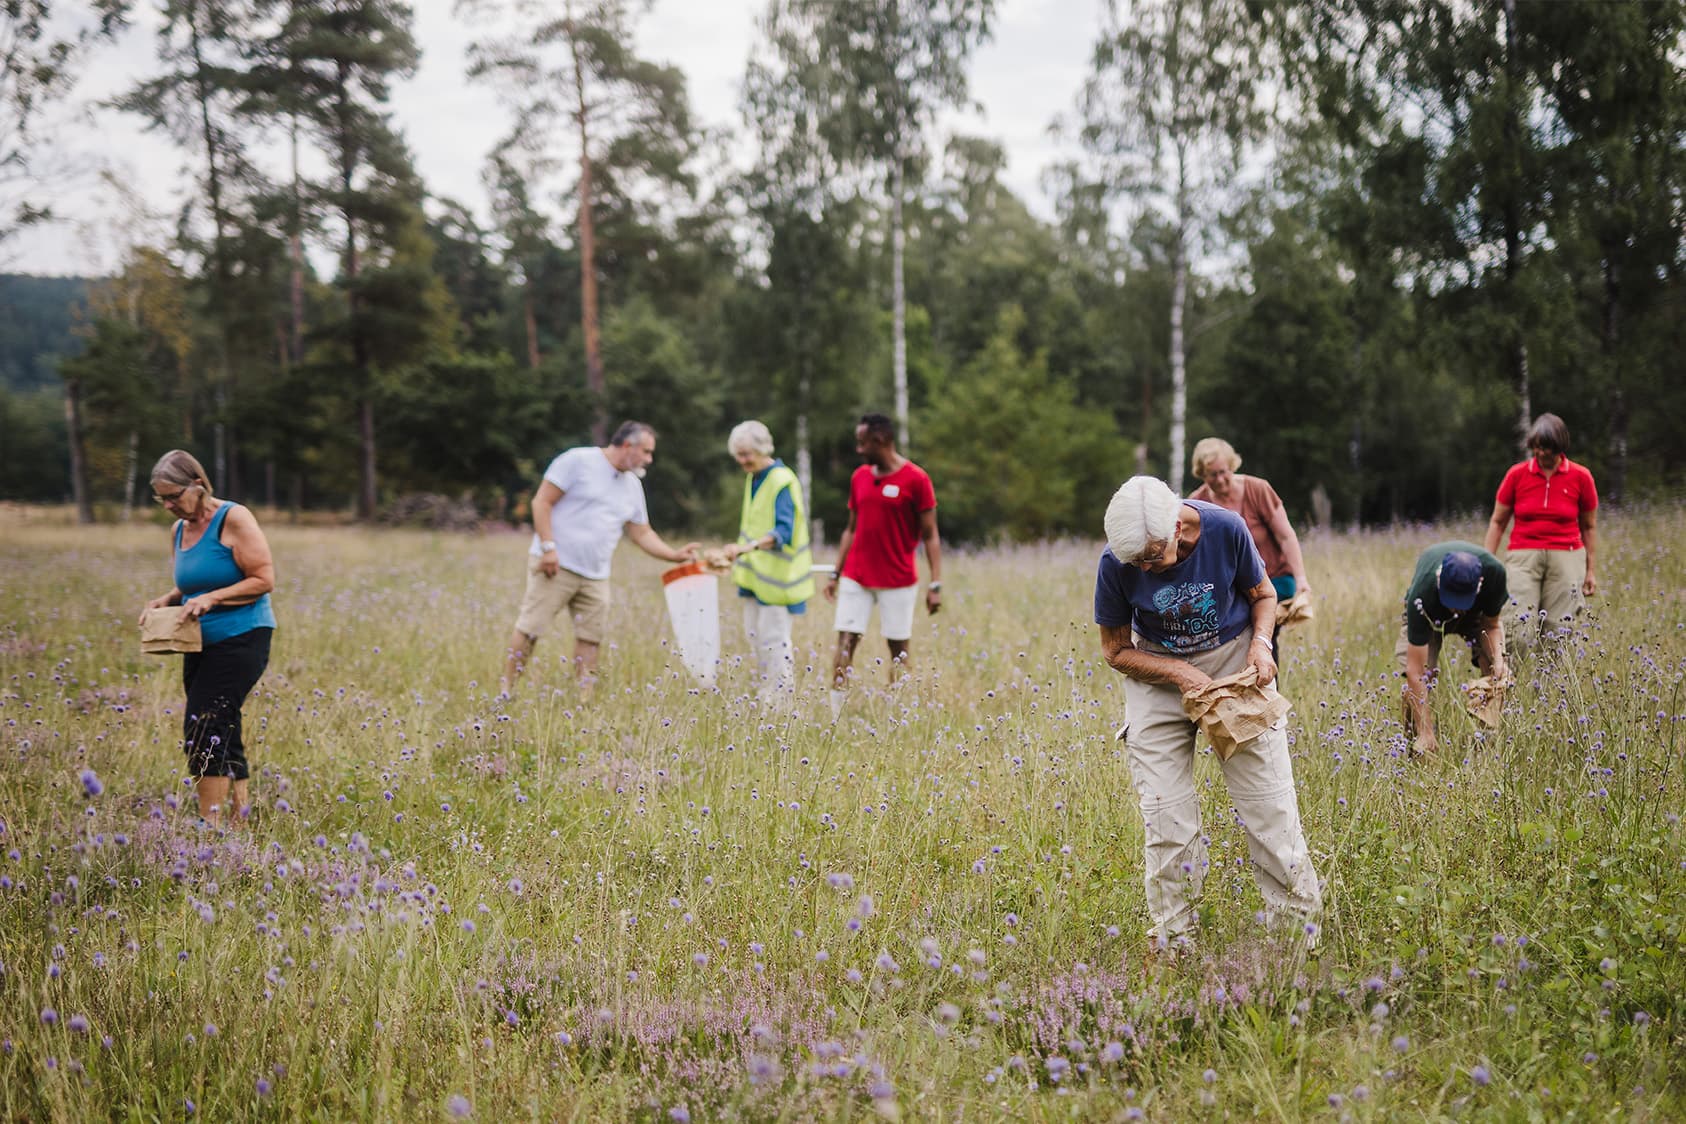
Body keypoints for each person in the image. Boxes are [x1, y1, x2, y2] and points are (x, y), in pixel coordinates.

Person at [1095, 476, 1321, 957]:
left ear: (1179, 526)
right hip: (1157, 671)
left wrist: (1261, 645)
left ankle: (1295, 947)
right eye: (1135, 562)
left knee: (1270, 810)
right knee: (1165, 818)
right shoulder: (1116, 561)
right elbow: (1116, 650)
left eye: (1152, 557)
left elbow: (1262, 594)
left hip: (1235, 662)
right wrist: (1176, 671)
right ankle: (1176, 943)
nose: (1144, 569)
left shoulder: (1226, 529)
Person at [502, 421, 699, 694]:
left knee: (590, 638)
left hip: (596, 575)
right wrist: (549, 548)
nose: (649, 459)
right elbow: (542, 502)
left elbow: (641, 533)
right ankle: (506, 692)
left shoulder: (632, 485)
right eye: (646, 452)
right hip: (556, 565)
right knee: (530, 630)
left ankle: (584, 698)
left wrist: (674, 555)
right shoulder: (577, 461)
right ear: (628, 445)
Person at [140, 450, 276, 829]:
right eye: (161, 498)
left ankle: (208, 826)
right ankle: (238, 820)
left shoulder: (233, 518)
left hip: (243, 636)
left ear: (197, 486)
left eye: (173, 496)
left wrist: (212, 599)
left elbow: (264, 579)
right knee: (223, 725)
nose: (167, 505)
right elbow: (192, 583)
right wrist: (167, 599)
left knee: (203, 726)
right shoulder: (179, 530)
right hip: (199, 642)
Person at [822, 413, 943, 711]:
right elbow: (850, 528)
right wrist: (836, 573)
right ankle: (835, 714)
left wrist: (935, 583)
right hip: (856, 577)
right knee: (846, 643)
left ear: (881, 440)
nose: (859, 449)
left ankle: (896, 713)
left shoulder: (917, 480)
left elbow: (930, 536)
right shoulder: (859, 477)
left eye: (862, 442)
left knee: (898, 650)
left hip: (898, 580)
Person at [1188, 437, 1312, 669]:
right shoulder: (1197, 504)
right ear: (1202, 475)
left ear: (1232, 466)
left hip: (1274, 580)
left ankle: (1266, 688)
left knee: (1262, 634)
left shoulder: (1258, 489)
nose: (1220, 480)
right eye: (1212, 475)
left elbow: (1286, 536)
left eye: (1223, 472)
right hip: (1230, 588)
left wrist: (1301, 579)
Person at [1482, 412, 1598, 650]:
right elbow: (1497, 523)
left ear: (1560, 447)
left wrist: (1590, 570)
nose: (1542, 453)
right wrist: (1486, 563)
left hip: (1567, 556)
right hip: (1523, 556)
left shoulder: (1581, 477)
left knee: (1559, 631)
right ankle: (1514, 682)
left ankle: (1553, 687)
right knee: (1518, 627)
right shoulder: (1516, 475)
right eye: (1537, 447)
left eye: (1547, 448)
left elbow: (1588, 526)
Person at [719, 421, 813, 702]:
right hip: (754, 578)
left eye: (747, 454)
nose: (742, 460)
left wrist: (746, 547)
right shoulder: (754, 477)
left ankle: (781, 704)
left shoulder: (782, 480)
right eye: (739, 454)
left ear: (763, 449)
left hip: (778, 580)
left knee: (775, 641)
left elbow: (783, 531)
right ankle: (765, 695)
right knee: (756, 639)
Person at [1396, 543, 1510, 756]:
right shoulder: (1422, 594)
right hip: (1430, 615)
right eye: (1451, 599)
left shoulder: (1494, 575)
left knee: (1497, 674)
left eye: (1460, 601)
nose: (1454, 608)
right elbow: (1415, 671)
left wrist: (1498, 660)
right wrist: (1427, 733)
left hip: (1475, 616)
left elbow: (1492, 626)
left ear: (1480, 585)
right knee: (1422, 678)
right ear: (1439, 580)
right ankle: (1416, 743)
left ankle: (1487, 741)